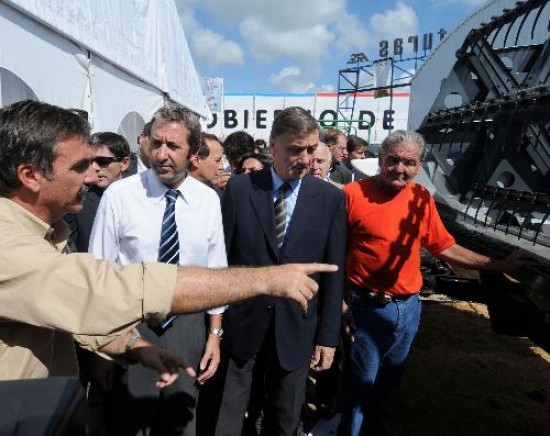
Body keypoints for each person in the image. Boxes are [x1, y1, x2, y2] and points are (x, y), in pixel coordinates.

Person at [0, 99, 335, 384]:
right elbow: (104, 288)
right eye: (80, 166)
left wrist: (135, 347)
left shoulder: (46, 233)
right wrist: (267, 278)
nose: (93, 175)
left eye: (173, 146)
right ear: (30, 176)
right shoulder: (8, 245)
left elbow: (68, 307)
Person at [340, 130, 534, 436]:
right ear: (380, 159)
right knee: (358, 387)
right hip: (367, 309)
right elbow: (334, 253)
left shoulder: (420, 198)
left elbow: (444, 246)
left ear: (419, 168)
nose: (399, 169)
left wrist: (498, 265)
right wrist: (341, 303)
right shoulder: (352, 196)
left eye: (409, 163)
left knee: (389, 382)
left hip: (409, 310)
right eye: (393, 160)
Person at [89, 105, 228, 435]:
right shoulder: (119, 196)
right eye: (156, 143)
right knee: (130, 420)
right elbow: (99, 272)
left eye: (173, 146)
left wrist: (214, 335)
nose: (161, 154)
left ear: (193, 152)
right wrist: (100, 348)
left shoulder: (208, 201)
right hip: (131, 326)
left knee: (179, 422)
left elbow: (216, 274)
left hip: (188, 325)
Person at [212, 106, 347, 436]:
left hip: (297, 329)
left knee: (284, 420)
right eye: (295, 150)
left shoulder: (330, 199)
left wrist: (328, 337)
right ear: (273, 145)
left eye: (311, 150)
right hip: (242, 326)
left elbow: (333, 272)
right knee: (225, 420)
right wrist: (215, 326)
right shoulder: (242, 190)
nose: (305, 159)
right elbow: (223, 260)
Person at [64, 132, 131, 252]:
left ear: (124, 163)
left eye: (103, 161)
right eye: (89, 161)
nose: (95, 167)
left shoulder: (143, 196)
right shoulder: (77, 202)